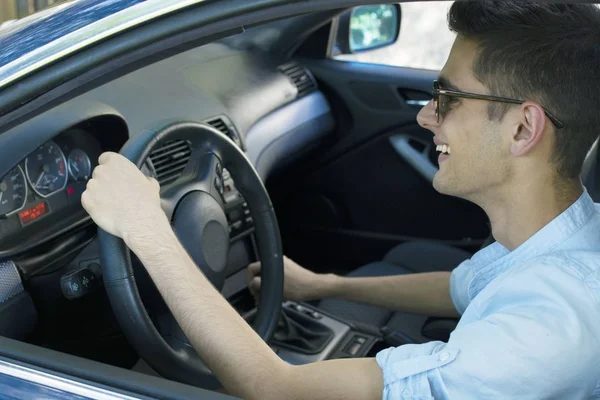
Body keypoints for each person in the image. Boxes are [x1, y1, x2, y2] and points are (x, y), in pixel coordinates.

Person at [81, 2, 600, 399]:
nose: (426, 117)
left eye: (448, 98)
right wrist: (322, 284)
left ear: (523, 127)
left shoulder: (547, 327)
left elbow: (272, 388)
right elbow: (461, 287)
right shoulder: (560, 239)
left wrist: (145, 228)